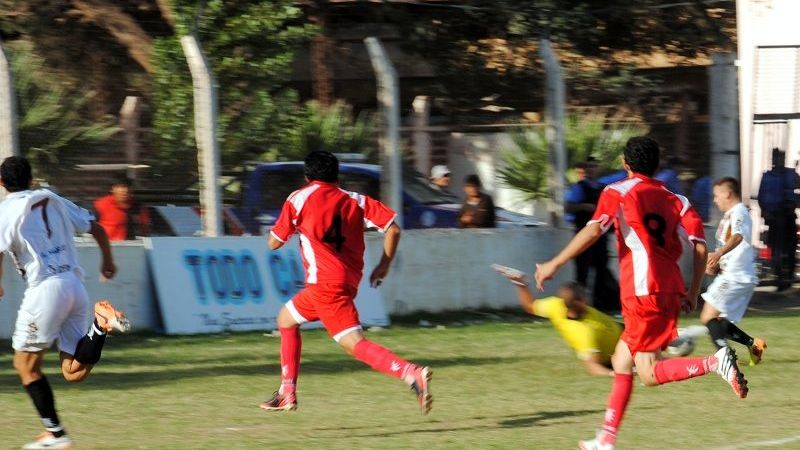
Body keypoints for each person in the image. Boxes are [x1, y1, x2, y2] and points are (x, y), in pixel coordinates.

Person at [534, 137, 748, 450]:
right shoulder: (678, 200)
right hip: (670, 288)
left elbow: (595, 228)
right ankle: (605, 439)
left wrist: (554, 263)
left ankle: (715, 363)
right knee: (622, 360)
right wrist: (691, 290)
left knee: (647, 372)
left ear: (625, 164)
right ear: (657, 166)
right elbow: (700, 246)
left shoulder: (617, 191)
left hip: (642, 291)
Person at [261, 151, 432, 414]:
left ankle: (411, 373)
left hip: (325, 286)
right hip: (344, 283)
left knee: (354, 343)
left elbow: (274, 242)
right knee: (286, 319)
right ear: (336, 175)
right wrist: (383, 265)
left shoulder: (299, 199)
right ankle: (287, 392)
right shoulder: (357, 200)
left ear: (307, 176)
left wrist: (295, 227)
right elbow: (393, 228)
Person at [0, 156, 131, 449]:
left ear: (1, 183)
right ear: (31, 179)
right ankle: (99, 326)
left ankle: (56, 434)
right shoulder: (52, 199)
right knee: (73, 371)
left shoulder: (5, 210)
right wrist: (108, 262)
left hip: (45, 291)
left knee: (25, 365)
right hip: (74, 286)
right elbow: (96, 228)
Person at [675, 178, 767, 365]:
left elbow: (738, 236)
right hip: (733, 275)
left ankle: (726, 359)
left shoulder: (739, 211)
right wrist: (717, 265)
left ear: (727, 193)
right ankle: (753, 345)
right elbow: (733, 244)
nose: (715, 200)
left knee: (707, 316)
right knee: (717, 321)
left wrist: (718, 253)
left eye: (717, 196)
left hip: (736, 276)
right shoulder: (730, 215)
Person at [492, 264, 622, 376]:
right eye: (584, 296)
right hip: (622, 350)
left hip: (626, 330)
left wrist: (520, 283)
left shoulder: (555, 305)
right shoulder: (582, 333)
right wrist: (615, 374)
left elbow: (529, 306)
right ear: (579, 302)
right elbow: (593, 366)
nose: (587, 299)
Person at [565, 158, 620, 312]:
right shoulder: (579, 187)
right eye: (589, 166)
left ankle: (600, 306)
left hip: (600, 237)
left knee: (601, 272)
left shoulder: (604, 188)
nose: (592, 169)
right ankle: (577, 307)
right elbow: (569, 207)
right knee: (582, 273)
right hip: (583, 236)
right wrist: (585, 206)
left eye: (595, 166)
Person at [757, 148, 800, 290]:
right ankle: (780, 279)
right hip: (775, 218)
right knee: (776, 249)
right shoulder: (768, 176)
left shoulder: (791, 174)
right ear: (773, 160)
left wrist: (794, 202)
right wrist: (765, 211)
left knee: (790, 248)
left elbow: (797, 189)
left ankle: (789, 278)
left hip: (788, 216)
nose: (778, 161)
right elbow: (761, 197)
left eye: (781, 158)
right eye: (776, 158)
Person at [94, 175, 150, 241]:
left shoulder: (139, 206)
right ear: (112, 189)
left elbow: (145, 229)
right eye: (121, 187)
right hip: (107, 246)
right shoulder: (100, 205)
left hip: (131, 246)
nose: (125, 190)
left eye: (128, 187)